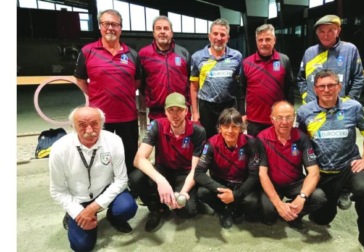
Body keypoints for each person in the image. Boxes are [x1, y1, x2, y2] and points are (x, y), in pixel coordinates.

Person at [296, 69, 364, 251]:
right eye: (322, 86)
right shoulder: (304, 112)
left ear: (339, 87)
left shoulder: (353, 107)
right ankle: (333, 200)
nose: (327, 89)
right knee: (321, 219)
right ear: (315, 89)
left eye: (331, 85)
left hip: (349, 167)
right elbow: (299, 143)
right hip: (323, 173)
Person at [49, 106, 138, 252]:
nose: (89, 130)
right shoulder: (59, 148)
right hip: (78, 197)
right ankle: (72, 215)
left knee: (127, 208)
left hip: (105, 189)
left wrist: (93, 207)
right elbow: (57, 190)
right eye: (82, 125)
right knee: (81, 246)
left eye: (94, 124)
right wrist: (77, 212)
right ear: (73, 126)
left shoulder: (114, 141)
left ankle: (113, 218)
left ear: (102, 124)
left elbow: (121, 180)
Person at [74, 9, 141, 176]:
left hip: (128, 116)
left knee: (130, 154)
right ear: (100, 27)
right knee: (103, 155)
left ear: (121, 28)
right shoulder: (88, 52)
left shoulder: (132, 54)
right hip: (100, 119)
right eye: (106, 24)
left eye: (115, 24)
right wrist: (96, 96)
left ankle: (132, 186)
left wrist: (122, 94)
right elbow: (80, 80)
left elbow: (137, 81)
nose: (110, 28)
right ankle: (104, 187)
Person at [130, 92, 206, 232]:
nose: (175, 115)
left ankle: (187, 197)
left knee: (187, 211)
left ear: (186, 111)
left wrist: (183, 192)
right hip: (163, 169)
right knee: (135, 178)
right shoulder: (156, 125)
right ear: (165, 111)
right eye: (171, 110)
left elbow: (196, 169)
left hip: (185, 173)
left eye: (179, 110)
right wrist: (161, 181)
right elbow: (138, 159)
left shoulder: (197, 131)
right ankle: (157, 208)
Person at [257, 101, 327, 231]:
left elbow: (314, 173)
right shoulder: (262, 138)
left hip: (295, 182)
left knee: (319, 197)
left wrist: (301, 198)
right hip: (273, 183)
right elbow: (262, 174)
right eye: (279, 117)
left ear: (294, 118)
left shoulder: (302, 138)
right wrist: (278, 204)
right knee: (269, 215)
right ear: (272, 119)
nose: (284, 122)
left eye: (288, 117)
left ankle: (294, 215)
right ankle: (285, 211)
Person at [194, 108, 260, 229]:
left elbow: (254, 176)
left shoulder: (251, 143)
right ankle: (223, 211)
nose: (230, 131)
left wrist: (235, 195)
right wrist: (224, 190)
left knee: (253, 203)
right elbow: (198, 173)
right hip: (221, 184)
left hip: (242, 184)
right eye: (226, 126)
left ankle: (237, 207)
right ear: (220, 128)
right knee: (202, 192)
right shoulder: (211, 144)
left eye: (235, 127)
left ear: (241, 128)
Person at [190, 18, 243, 139]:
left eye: (222, 35)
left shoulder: (237, 57)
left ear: (228, 38)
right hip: (206, 108)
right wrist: (195, 112)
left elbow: (240, 86)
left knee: (229, 139)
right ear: (209, 36)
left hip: (229, 106)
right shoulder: (197, 57)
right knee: (208, 140)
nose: (218, 38)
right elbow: (193, 87)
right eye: (215, 34)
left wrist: (241, 112)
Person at [239, 24, 295, 137]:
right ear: (256, 41)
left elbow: (289, 89)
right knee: (256, 153)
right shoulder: (246, 63)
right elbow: (241, 90)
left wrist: (290, 112)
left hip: (278, 119)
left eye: (268, 39)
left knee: (276, 152)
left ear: (274, 40)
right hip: (254, 121)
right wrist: (242, 113)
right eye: (260, 40)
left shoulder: (284, 60)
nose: (264, 43)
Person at [297, 14, 364, 105]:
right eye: (322, 31)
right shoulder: (309, 52)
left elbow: (358, 78)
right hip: (313, 107)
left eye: (330, 31)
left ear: (338, 31)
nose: (326, 36)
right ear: (317, 33)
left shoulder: (350, 50)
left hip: (340, 107)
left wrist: (350, 99)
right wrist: (305, 95)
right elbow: (301, 78)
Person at [138, 15, 191, 120]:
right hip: (156, 113)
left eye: (166, 28)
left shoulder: (183, 53)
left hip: (180, 111)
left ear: (172, 33)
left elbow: (190, 82)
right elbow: (141, 83)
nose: (162, 31)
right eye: (158, 28)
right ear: (153, 33)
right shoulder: (144, 54)